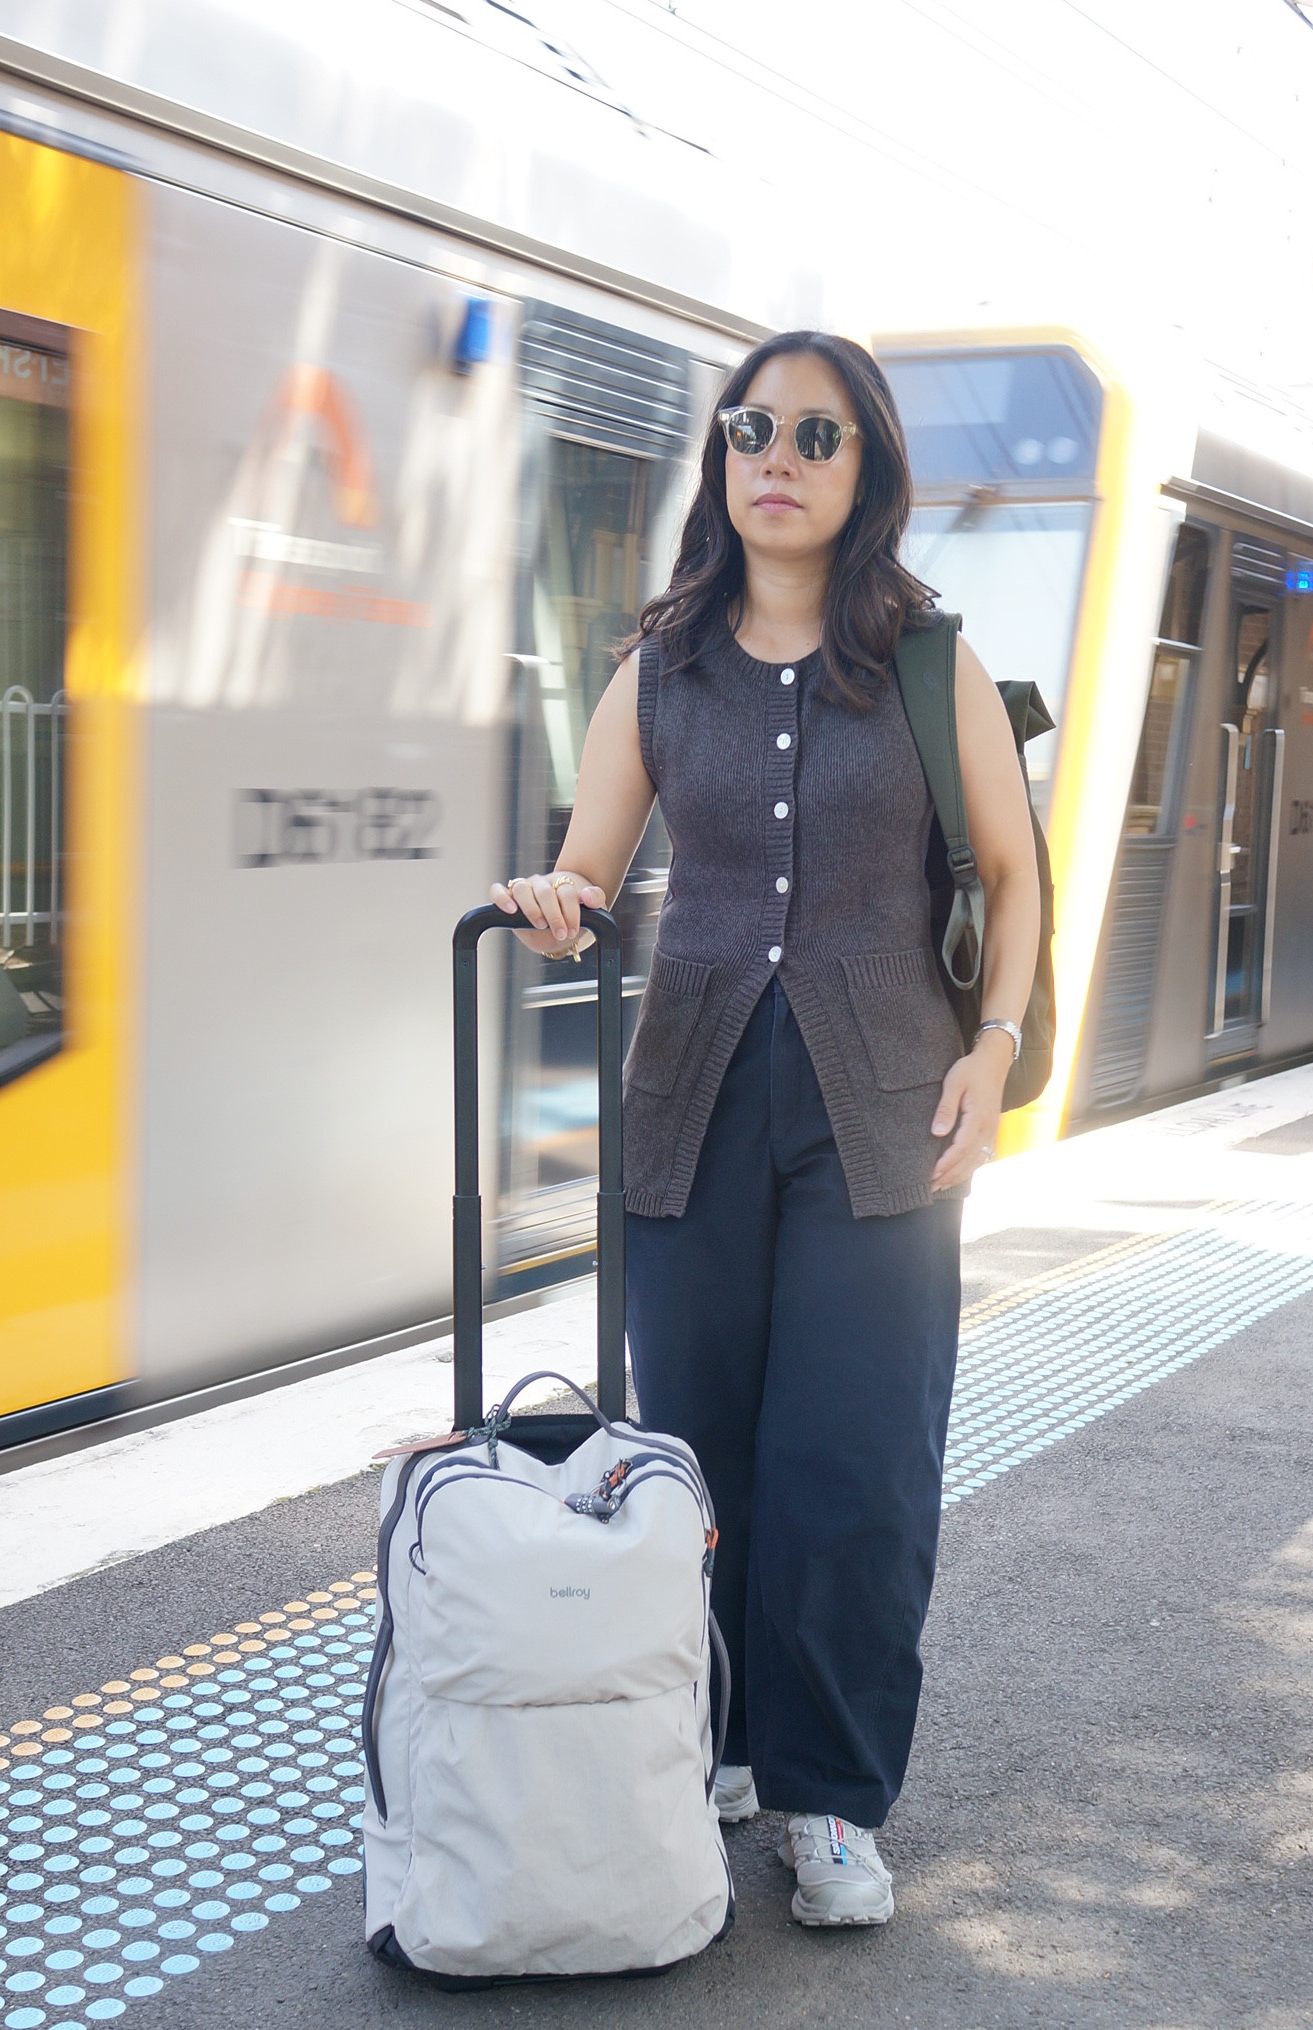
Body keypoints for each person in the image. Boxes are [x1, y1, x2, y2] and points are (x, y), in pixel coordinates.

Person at [493, 329, 1040, 1928]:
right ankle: (720, 1737)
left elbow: (1014, 872)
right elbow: (593, 864)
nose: (776, 459)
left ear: (866, 469)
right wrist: (554, 897)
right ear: (721, 456)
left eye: (815, 433)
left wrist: (996, 1046)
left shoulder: (930, 664)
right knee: (700, 1454)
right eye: (751, 429)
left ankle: (833, 1796)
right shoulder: (658, 669)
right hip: (693, 1105)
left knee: (855, 1463)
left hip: (890, 1114)